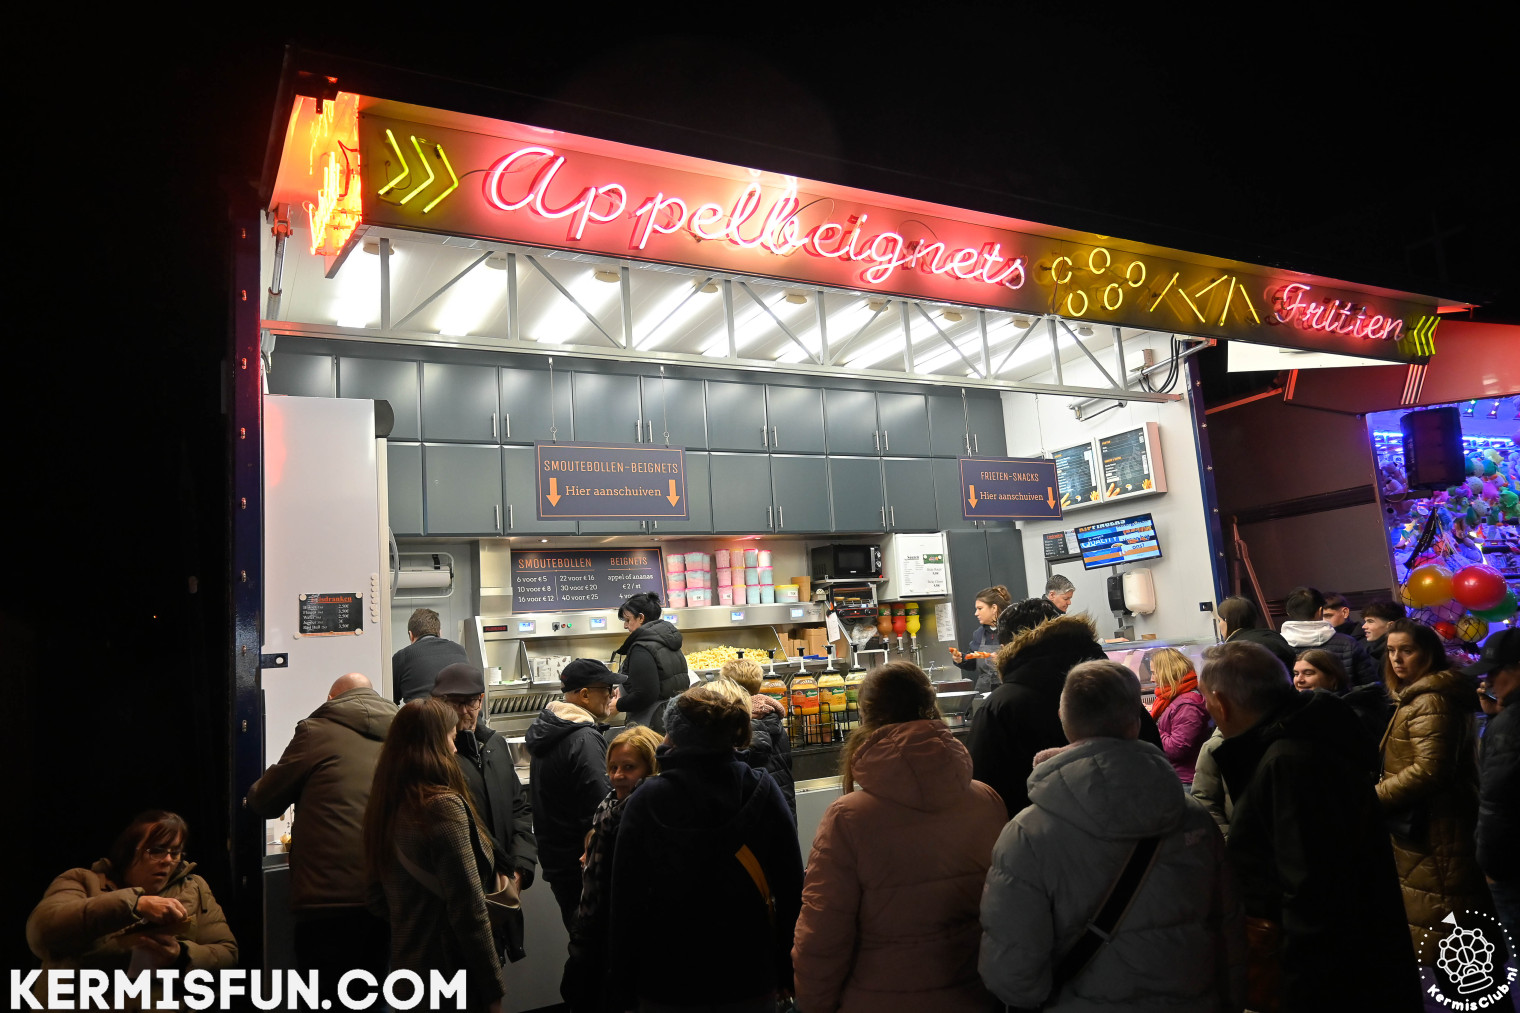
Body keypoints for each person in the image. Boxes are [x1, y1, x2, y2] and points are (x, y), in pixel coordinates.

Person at [980, 661, 1244, 1012]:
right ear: (1135, 722)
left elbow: (1012, 975)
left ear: (1064, 721)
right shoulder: (1193, 818)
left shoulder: (1027, 833)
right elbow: (1229, 931)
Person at [1202, 640, 1420, 1011]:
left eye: (1206, 699)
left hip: (1330, 978)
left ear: (1220, 702)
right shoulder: (1308, 735)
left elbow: (1310, 889)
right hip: (1360, 961)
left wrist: (1299, 989)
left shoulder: (1289, 760)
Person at [793, 662, 1005, 1013]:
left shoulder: (847, 818)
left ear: (865, 716)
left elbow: (823, 935)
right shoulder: (987, 800)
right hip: (977, 994)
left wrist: (815, 1005)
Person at [610, 683, 804, 1012]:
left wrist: (624, 983)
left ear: (673, 737)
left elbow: (626, 899)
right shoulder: (760, 789)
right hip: (750, 971)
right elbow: (790, 887)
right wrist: (787, 968)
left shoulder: (647, 799)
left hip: (665, 977)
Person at [246, 672, 396, 991]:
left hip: (326, 899)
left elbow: (264, 801)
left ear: (331, 699)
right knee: (374, 991)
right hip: (386, 895)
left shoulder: (316, 731)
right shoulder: (401, 732)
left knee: (323, 996)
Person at [364, 698, 504, 1013]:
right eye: (451, 739)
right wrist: (492, 989)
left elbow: (375, 897)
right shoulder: (441, 807)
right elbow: (469, 910)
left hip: (406, 974)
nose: (454, 749)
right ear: (432, 745)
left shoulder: (386, 805)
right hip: (449, 975)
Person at [26, 810, 237, 1002]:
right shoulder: (82, 881)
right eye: (157, 851)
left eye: (175, 853)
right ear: (128, 851)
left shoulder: (194, 888)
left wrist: (181, 955)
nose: (167, 860)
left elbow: (227, 954)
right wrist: (134, 904)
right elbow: (41, 932)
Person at [1375, 618, 1492, 963]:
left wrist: (1374, 796)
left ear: (1427, 653)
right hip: (1428, 824)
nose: (1397, 659)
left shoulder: (1430, 700)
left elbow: (1430, 770)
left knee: (1450, 920)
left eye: (1406, 650)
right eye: (1391, 651)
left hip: (1438, 824)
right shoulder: (1416, 695)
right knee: (1444, 920)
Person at [562, 725, 663, 1013]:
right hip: (596, 937)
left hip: (627, 945)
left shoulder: (647, 819)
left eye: (629, 767)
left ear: (652, 770)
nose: (617, 775)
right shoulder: (608, 810)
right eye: (613, 767)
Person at [970, 608, 1105, 819]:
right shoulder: (1113, 688)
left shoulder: (1001, 706)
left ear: (1006, 648)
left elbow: (983, 792)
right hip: (1135, 829)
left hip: (1038, 831)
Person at [525, 657, 623, 930]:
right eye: (607, 689)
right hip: (580, 863)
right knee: (592, 943)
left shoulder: (552, 729)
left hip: (557, 859)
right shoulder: (584, 739)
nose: (612, 695)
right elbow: (599, 805)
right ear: (584, 695)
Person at [432, 663, 538, 894]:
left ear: (480, 700)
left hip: (506, 882)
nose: (463, 711)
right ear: (439, 703)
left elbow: (519, 809)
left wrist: (520, 868)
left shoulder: (495, 745)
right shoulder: (437, 757)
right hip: (464, 887)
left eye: (470, 702)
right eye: (454, 703)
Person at [1466, 628, 1520, 949]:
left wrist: (1490, 866)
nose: (1487, 682)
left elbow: (1497, 806)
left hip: (1511, 866)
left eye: (1494, 672)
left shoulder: (1509, 726)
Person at [717, 659, 796, 816]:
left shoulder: (746, 721)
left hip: (761, 809)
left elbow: (751, 758)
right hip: (782, 803)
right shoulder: (771, 714)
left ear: (728, 686)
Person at [611, 591, 689, 733]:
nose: (625, 626)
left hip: (651, 724)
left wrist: (618, 705)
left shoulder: (642, 648)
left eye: (628, 620)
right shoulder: (666, 641)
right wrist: (624, 689)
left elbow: (645, 694)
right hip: (671, 719)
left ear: (641, 618)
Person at [1293, 647, 1393, 748]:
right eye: (1296, 674)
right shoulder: (1302, 708)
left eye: (1308, 673)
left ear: (1332, 678)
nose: (1299, 680)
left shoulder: (1356, 711)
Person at [1278, 586, 1377, 687]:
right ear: (1320, 611)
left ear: (1288, 613)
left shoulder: (1277, 645)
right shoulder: (1349, 643)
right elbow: (1370, 687)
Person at [1147, 647, 1212, 786]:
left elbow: (1177, 749)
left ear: (1167, 672)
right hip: (1174, 776)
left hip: (1185, 781)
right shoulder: (1172, 697)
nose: (1151, 679)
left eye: (1154, 673)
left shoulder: (1188, 704)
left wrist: (1150, 728)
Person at [392, 607, 469, 703]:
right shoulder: (459, 650)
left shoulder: (402, 657)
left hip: (422, 712)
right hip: (458, 711)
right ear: (440, 633)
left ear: (411, 635)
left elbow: (391, 699)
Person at [950, 585, 1012, 692]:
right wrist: (961, 659)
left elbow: (1027, 662)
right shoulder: (979, 633)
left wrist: (1004, 660)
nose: (976, 613)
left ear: (994, 608)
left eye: (980, 609)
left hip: (1008, 688)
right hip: (984, 690)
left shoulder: (1014, 630)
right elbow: (973, 662)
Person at [1215, 595, 1297, 674]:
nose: (1219, 625)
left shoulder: (1233, 650)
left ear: (1227, 620)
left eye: (1220, 620)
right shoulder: (1274, 635)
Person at [1361, 599, 1407, 670]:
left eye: (1370, 621)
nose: (1364, 626)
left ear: (1391, 625)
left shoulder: (1401, 655)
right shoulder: (1367, 650)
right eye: (1365, 621)